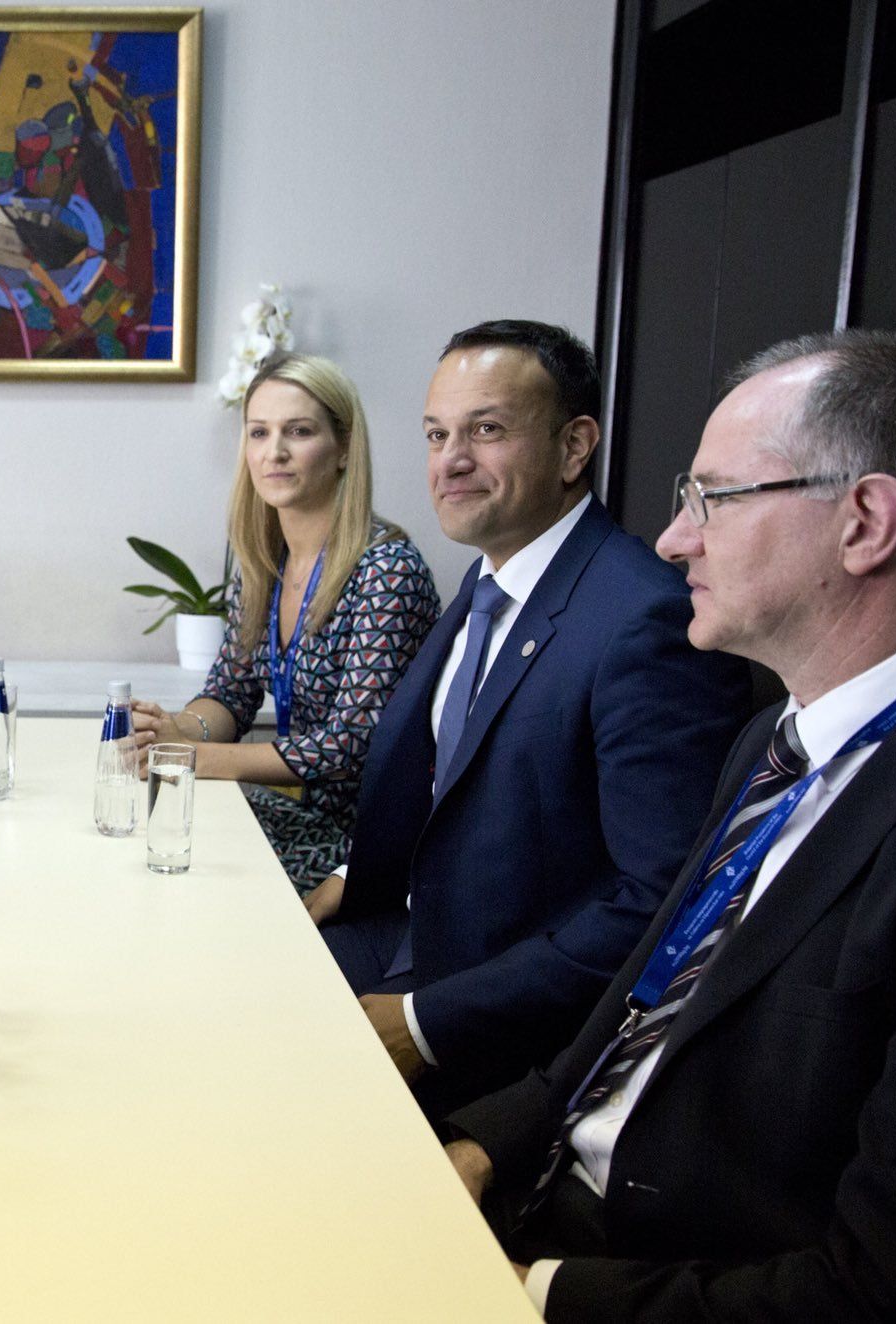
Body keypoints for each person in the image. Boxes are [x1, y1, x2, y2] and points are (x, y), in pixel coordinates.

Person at [444, 329, 896, 1320]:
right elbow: (640, 1008)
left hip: (647, 1278)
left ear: (863, 522)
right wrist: (476, 1145)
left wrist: (532, 1291)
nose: (672, 538)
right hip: (548, 1195)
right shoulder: (774, 734)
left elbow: (889, 1285)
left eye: (709, 497)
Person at [307, 320, 751, 1115]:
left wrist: (424, 1023)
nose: (450, 461)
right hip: (404, 931)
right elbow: (457, 782)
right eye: (437, 434)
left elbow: (661, 903)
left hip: (495, 1012)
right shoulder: (489, 579)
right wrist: (348, 876)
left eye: (486, 430)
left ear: (575, 447)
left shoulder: (647, 621)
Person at [130, 352, 440, 892]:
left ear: (344, 448)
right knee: (141, 832)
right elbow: (231, 692)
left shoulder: (387, 569)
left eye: (298, 431)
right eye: (259, 433)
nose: (274, 452)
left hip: (367, 848)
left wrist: (202, 758)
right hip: (300, 820)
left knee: (172, 858)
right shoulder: (264, 563)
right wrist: (180, 730)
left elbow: (350, 746)